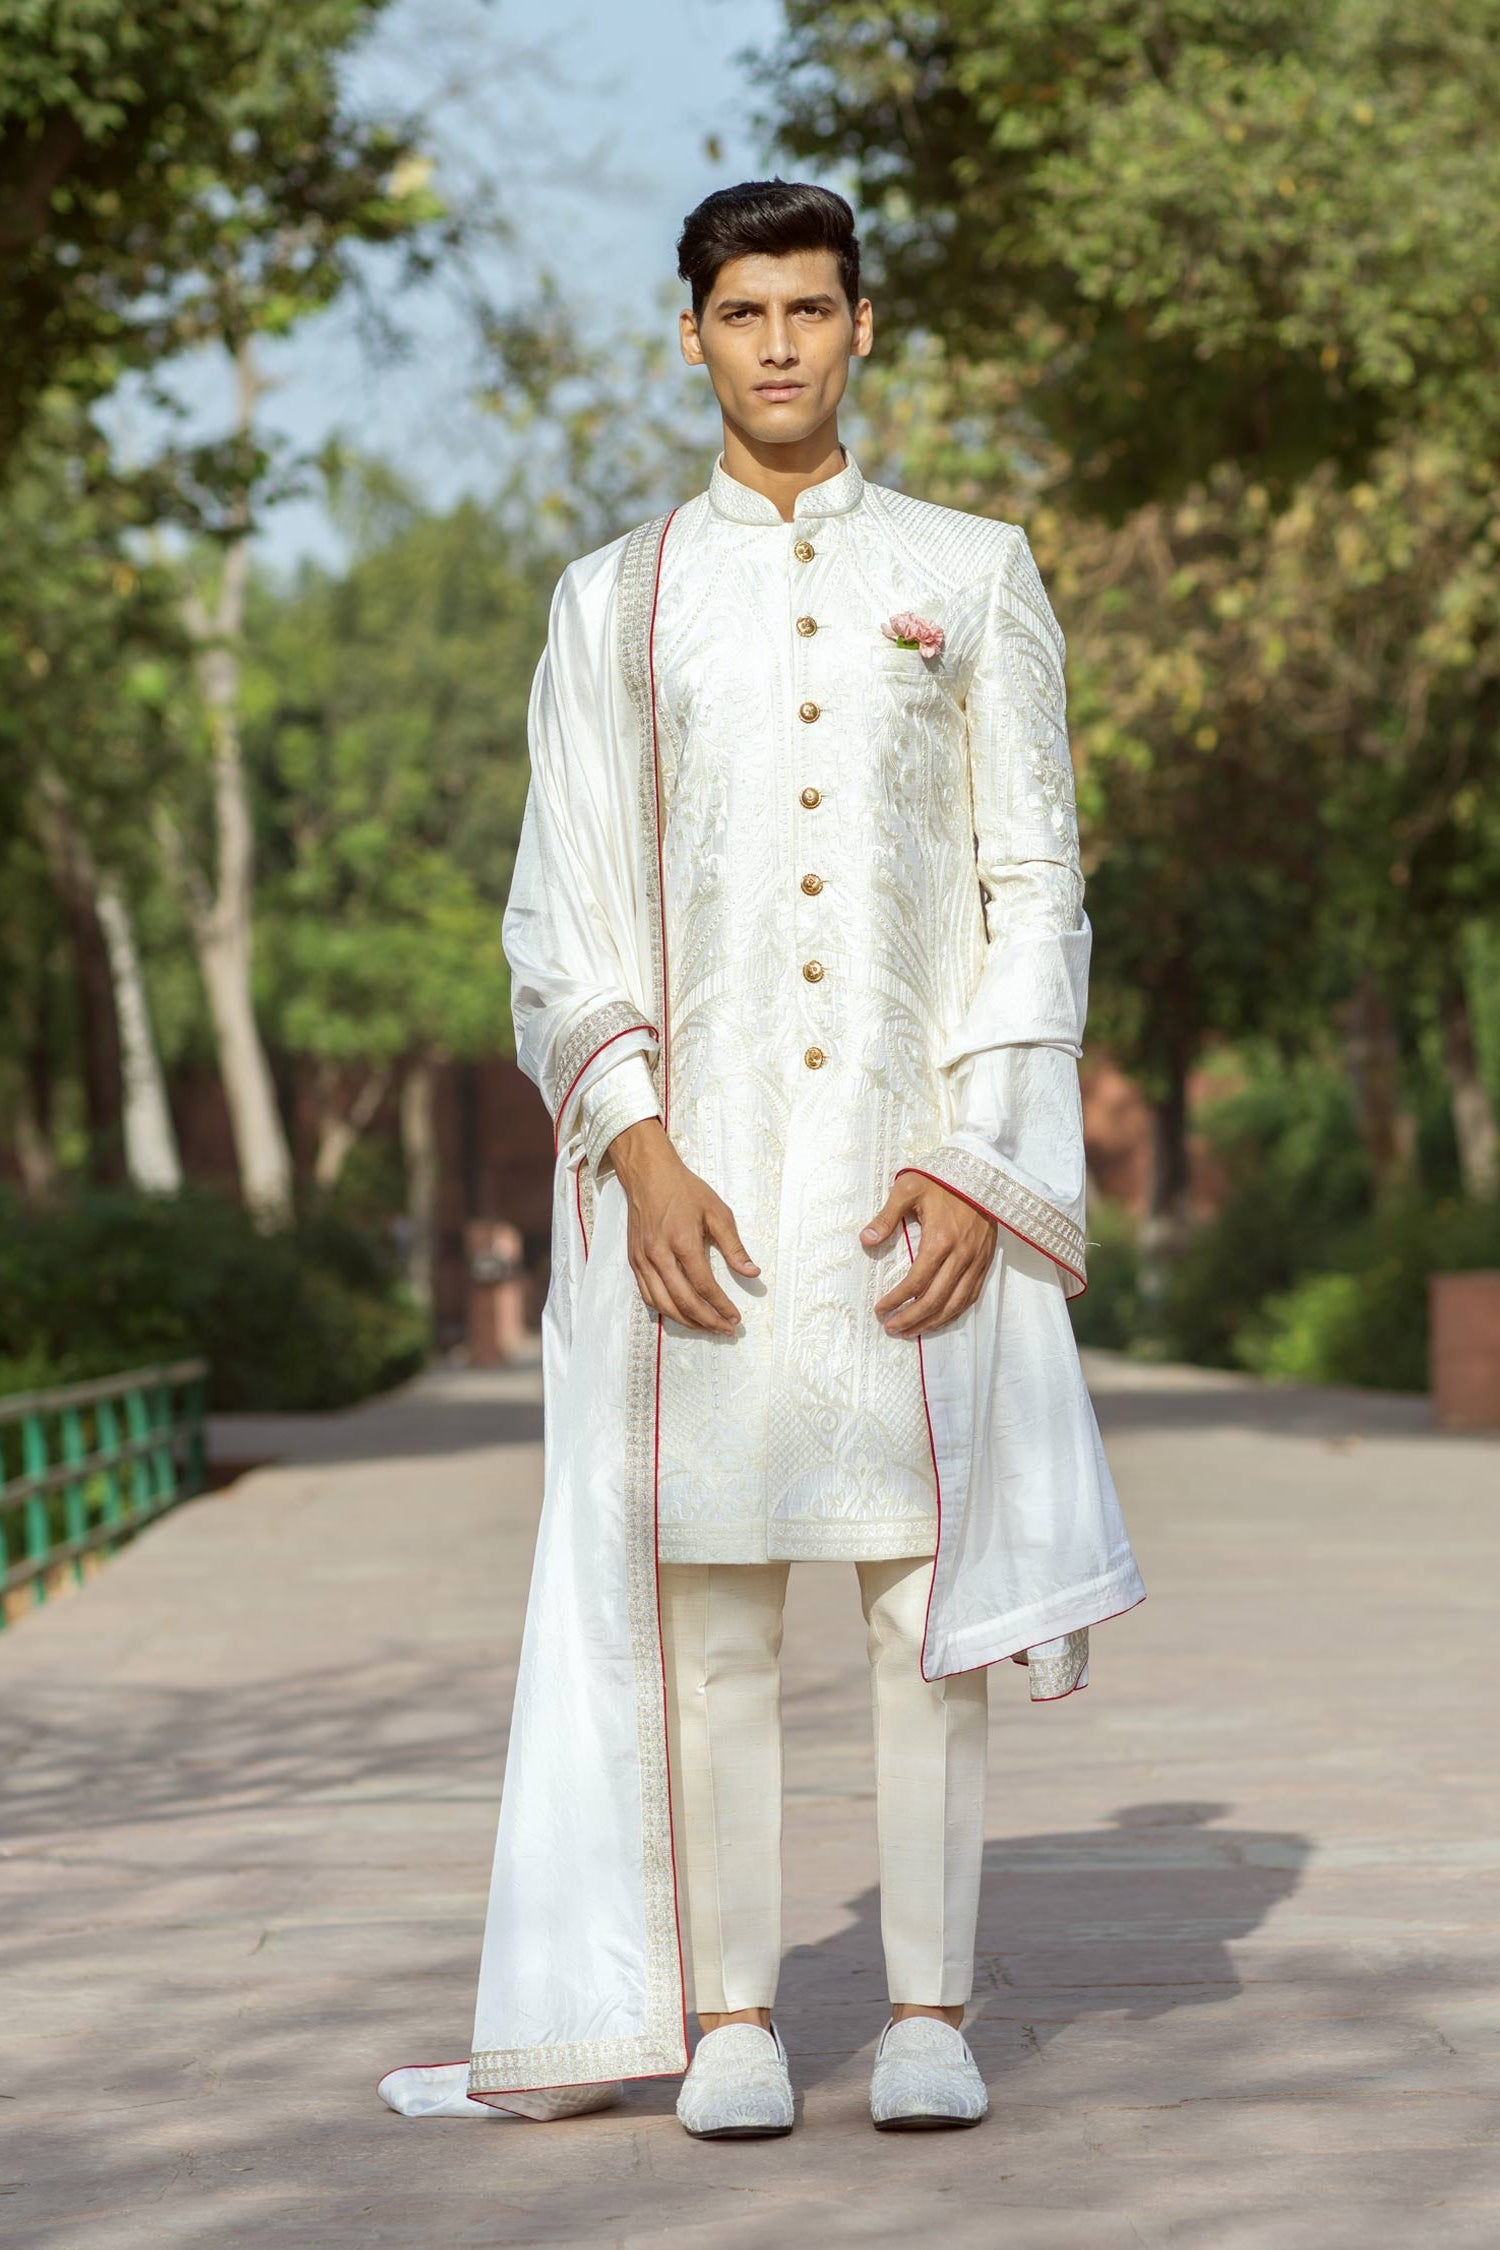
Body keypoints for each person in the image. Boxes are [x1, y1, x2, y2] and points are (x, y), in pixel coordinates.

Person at [377, 178, 1143, 2141]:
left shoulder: (973, 574)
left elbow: (1036, 887)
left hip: (910, 1184)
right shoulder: (613, 603)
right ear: (694, 337)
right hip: (699, 1196)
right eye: (745, 312)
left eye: (812, 307)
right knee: (712, 1604)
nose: (780, 343)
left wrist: (977, 1162)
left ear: (862, 327)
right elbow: (559, 914)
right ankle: (731, 2019)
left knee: (916, 1602)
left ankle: (929, 2011)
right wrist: (633, 1145)